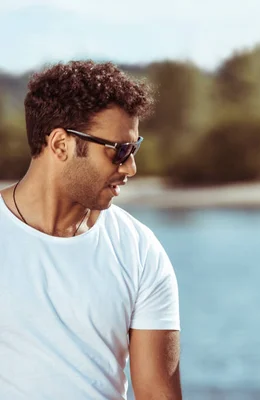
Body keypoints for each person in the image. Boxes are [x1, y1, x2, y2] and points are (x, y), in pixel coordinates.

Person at [0, 61, 182, 399]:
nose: (131, 166)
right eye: (119, 150)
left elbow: (159, 394)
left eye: (134, 147)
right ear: (60, 145)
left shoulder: (140, 250)